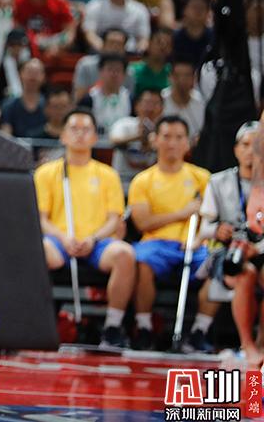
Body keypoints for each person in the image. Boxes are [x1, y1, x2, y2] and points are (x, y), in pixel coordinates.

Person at [34, 108, 136, 349]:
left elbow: (114, 219)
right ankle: (36, 319)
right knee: (37, 251)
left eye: (86, 129)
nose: (79, 134)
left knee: (125, 254)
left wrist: (92, 239)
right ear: (63, 136)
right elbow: (41, 219)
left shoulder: (108, 174)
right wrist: (63, 237)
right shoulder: (46, 173)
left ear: (94, 137)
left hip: (98, 242)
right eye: (74, 129)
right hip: (59, 241)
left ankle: (112, 328)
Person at [128, 116, 210, 350]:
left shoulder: (203, 178)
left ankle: (199, 331)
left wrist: (198, 239)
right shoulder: (142, 180)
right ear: (155, 140)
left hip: (194, 244)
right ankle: (144, 328)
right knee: (141, 261)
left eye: (178, 137)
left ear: (188, 142)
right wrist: (183, 213)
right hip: (156, 244)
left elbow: (213, 217)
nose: (172, 143)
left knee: (217, 265)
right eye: (166, 136)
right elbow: (143, 222)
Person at [198, 122, 264, 363]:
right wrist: (218, 230)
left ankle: (262, 342)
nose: (251, 151)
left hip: (260, 249)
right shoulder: (218, 181)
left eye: (257, 145)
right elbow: (204, 228)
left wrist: (257, 247)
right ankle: (247, 344)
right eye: (245, 145)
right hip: (228, 252)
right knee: (245, 274)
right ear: (236, 149)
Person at [162, 60, 206, 146]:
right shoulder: (161, 100)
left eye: (187, 76)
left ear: (194, 78)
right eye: (177, 76)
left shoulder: (201, 102)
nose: (182, 80)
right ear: (170, 77)